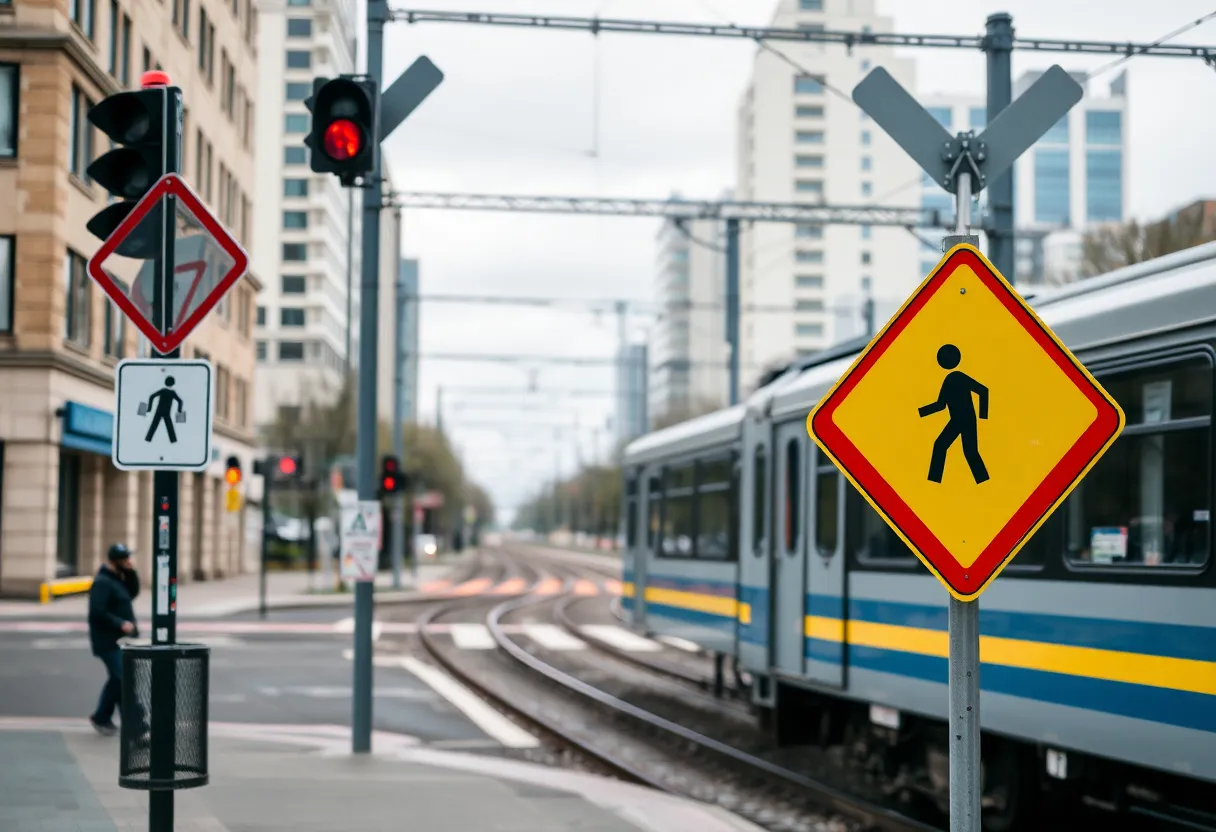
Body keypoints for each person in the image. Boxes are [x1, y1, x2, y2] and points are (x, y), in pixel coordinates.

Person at [87, 543, 146, 736]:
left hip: (121, 640)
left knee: (118, 679)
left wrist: (131, 572)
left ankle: (102, 717)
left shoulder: (118, 579)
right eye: (125, 559)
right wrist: (120, 623)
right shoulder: (102, 582)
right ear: (115, 561)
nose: (129, 561)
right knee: (124, 678)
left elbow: (132, 592)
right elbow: (97, 611)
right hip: (107, 641)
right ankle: (137, 724)